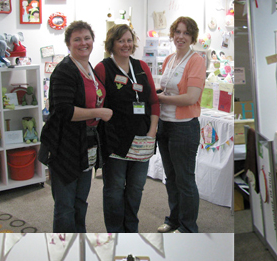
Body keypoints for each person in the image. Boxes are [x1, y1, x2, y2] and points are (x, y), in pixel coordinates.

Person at [39, 20, 113, 232]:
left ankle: (80, 243)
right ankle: (64, 247)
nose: (83, 43)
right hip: (66, 145)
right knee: (65, 206)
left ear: (93, 41)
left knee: (81, 201)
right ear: (68, 44)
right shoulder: (65, 70)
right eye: (77, 39)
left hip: (86, 143)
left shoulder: (89, 68)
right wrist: (98, 113)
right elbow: (64, 111)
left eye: (87, 38)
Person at [94, 24, 160, 233]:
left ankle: (131, 229)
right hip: (115, 139)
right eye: (120, 40)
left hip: (142, 137)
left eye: (129, 40)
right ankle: (115, 232)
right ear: (112, 44)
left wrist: (152, 130)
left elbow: (153, 101)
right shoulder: (103, 68)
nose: (126, 45)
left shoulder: (141, 67)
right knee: (114, 189)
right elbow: (97, 102)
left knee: (136, 188)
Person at [156, 16, 206, 233]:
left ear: (192, 37)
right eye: (177, 32)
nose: (181, 36)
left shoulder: (196, 61)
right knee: (171, 178)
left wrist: (158, 98)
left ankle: (188, 227)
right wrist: (156, 93)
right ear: (172, 34)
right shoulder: (169, 59)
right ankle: (174, 220)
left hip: (184, 127)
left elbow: (191, 98)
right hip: (165, 125)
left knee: (185, 179)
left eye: (186, 33)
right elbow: (166, 88)